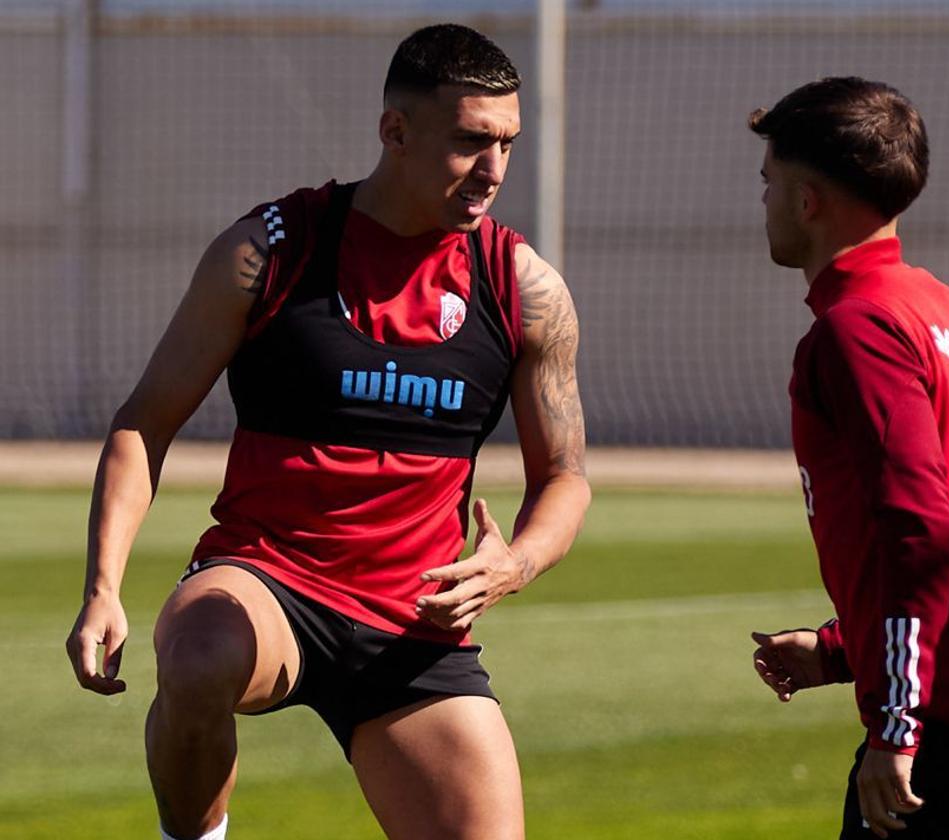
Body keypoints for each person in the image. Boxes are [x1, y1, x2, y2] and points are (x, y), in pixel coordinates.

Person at [64, 23, 589, 840]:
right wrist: (104, 587)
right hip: (269, 582)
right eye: (469, 143)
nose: (493, 171)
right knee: (199, 656)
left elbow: (565, 476)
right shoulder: (269, 250)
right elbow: (144, 423)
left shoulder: (523, 288)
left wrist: (513, 564)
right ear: (395, 132)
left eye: (507, 145)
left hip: (414, 623)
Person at [746, 77, 949, 839]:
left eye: (768, 183)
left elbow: (920, 532)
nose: (761, 202)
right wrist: (840, 650)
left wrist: (896, 728)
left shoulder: (857, 330)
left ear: (806, 201)